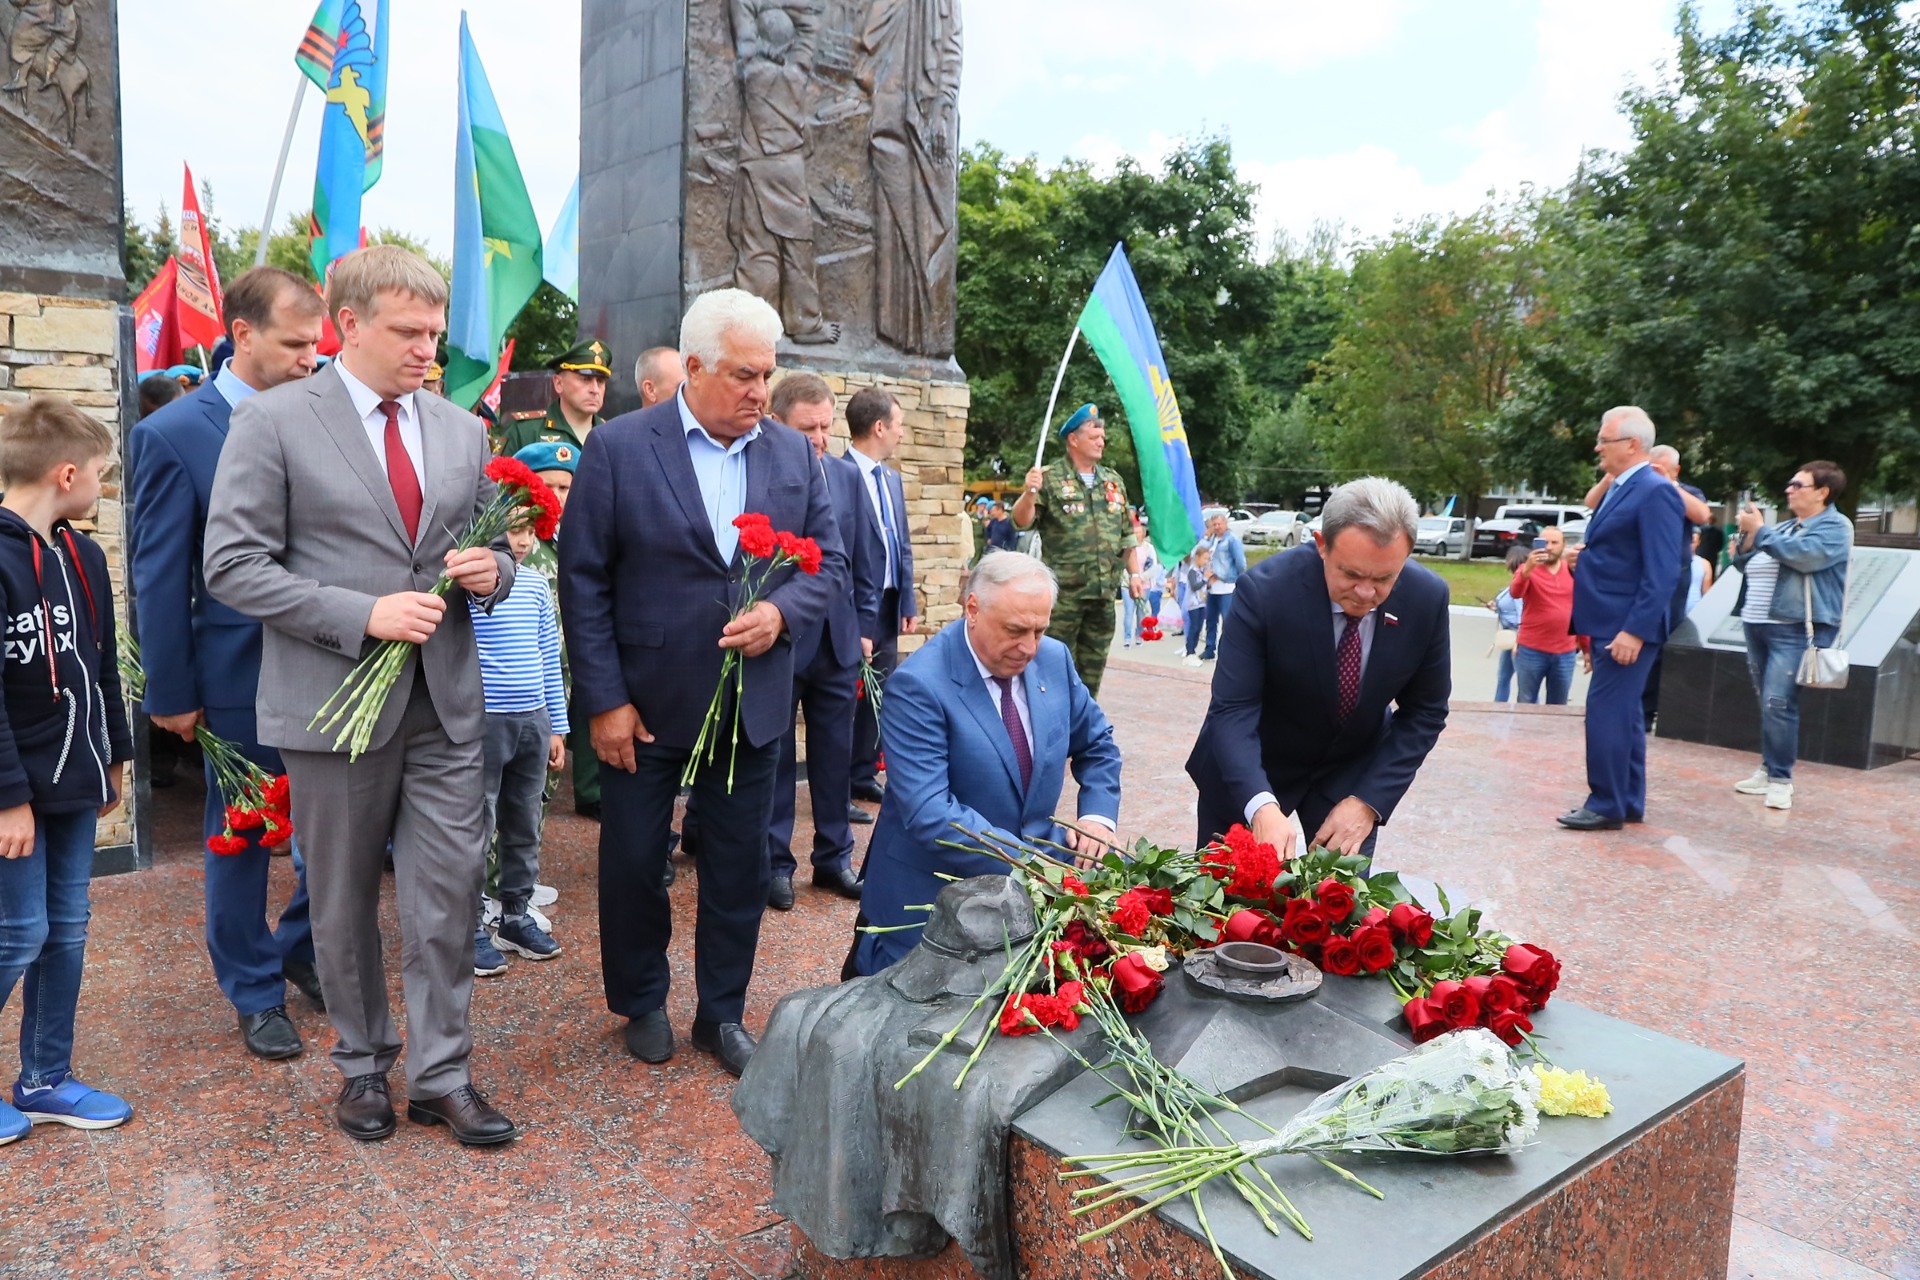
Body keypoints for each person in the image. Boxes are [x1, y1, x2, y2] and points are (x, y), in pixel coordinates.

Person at [203, 245, 520, 1146]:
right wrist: (360, 613)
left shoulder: (461, 429)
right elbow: (231, 564)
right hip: (330, 705)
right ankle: (362, 1068)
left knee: (448, 895)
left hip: (446, 702)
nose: (429, 349)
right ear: (348, 326)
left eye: (436, 332)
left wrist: (492, 569)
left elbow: (486, 551)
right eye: (409, 332)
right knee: (339, 902)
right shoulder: (273, 421)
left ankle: (443, 1075)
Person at [559, 288, 844, 1078]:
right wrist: (606, 702)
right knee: (632, 864)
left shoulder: (792, 453)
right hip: (644, 706)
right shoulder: (619, 447)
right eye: (744, 375)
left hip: (751, 705)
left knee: (738, 870)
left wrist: (783, 615)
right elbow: (583, 584)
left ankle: (722, 1012)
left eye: (769, 374)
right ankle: (641, 1001)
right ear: (691, 367)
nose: (761, 391)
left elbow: (830, 564)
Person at [127, 266, 328, 1061]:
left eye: (318, 343)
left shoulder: (319, 419)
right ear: (241, 335)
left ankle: (302, 949)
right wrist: (171, 693)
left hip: (331, 668)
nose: (312, 358)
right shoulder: (175, 434)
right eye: (295, 343)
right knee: (245, 835)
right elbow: (159, 574)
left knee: (338, 831)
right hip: (238, 678)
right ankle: (253, 987)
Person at [852, 553, 1121, 974]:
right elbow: (931, 813)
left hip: (1027, 893)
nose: (1029, 647)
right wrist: (1033, 864)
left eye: (1040, 629)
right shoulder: (919, 684)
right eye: (1016, 630)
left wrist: (1098, 818)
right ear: (972, 609)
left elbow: (1098, 743)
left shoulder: (1054, 658)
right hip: (931, 901)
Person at [1185, 477, 1450, 866]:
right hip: (1251, 767)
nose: (1365, 593)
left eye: (1383, 579)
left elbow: (1426, 711)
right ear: (1321, 543)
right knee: (1223, 909)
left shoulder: (1427, 598)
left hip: (1350, 774)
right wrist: (1260, 806)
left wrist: (1368, 801)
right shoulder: (1265, 592)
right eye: (1351, 574)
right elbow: (1233, 708)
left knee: (1338, 913)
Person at [0, 397, 135, 1143]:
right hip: (13, 792)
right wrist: (7, 798)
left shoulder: (83, 555)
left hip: (73, 779)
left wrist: (113, 754)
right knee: (16, 932)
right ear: (67, 472)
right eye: (103, 475)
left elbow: (101, 667)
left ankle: (46, 1077)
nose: (104, 487)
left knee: (66, 931)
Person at [765, 372, 879, 911]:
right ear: (777, 421)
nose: (819, 437)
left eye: (826, 427)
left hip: (837, 642)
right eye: (807, 427)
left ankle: (835, 858)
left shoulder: (847, 476)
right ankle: (774, 862)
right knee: (778, 755)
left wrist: (863, 627)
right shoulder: (762, 472)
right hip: (782, 639)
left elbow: (863, 557)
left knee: (835, 755)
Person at [1557, 407, 1687, 832]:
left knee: (1606, 709)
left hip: (1626, 626)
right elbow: (1624, 553)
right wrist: (1584, 558)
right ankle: (1627, 799)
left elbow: (1663, 569)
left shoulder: (1654, 490)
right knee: (1625, 713)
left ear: (1632, 445)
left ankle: (1606, 801)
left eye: (1604, 439)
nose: (1597, 447)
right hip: (1609, 619)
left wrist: (1635, 630)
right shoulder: (1623, 487)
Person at [470, 516, 569, 969]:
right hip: (485, 721)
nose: (524, 540)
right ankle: (468, 924)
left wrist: (556, 726)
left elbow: (550, 654)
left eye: (531, 530)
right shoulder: (470, 589)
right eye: (513, 530)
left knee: (524, 820)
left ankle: (514, 913)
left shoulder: (535, 587)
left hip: (533, 719)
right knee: (478, 822)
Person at [1729, 462, 1853, 811]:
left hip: (1794, 628)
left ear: (1822, 492)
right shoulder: (1787, 526)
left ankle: (1781, 779)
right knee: (1767, 701)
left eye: (1798, 485)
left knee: (1779, 702)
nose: (1789, 489)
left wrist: (1762, 532)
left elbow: (1805, 557)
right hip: (1757, 624)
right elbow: (1745, 562)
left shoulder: (1835, 526)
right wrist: (1744, 541)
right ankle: (1768, 769)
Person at [1010, 403, 1142, 697]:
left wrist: (1134, 575)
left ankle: (1083, 725)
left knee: (1092, 672)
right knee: (1053, 667)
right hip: (1064, 597)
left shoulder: (1113, 481)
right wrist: (1029, 493)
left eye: (1103, 437)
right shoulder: (1050, 478)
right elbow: (1022, 521)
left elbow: (1126, 534)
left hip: (1103, 594)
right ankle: (1050, 721)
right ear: (1074, 439)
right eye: (1094, 436)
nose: (1101, 442)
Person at [1592, 444, 1711, 731]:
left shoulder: (1679, 490)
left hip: (1672, 577)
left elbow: (1703, 515)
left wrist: (1666, 484)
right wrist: (1610, 478)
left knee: (1661, 641)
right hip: (1636, 579)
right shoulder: (1630, 485)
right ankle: (1638, 715)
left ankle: (1653, 709)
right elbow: (1591, 503)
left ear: (1676, 470)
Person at [845, 387, 918, 803]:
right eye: (899, 425)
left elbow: (901, 543)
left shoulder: (890, 478)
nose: (902, 434)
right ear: (879, 427)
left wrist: (907, 600)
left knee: (880, 695)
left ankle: (862, 772)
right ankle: (837, 780)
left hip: (889, 604)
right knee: (851, 696)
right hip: (858, 607)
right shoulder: (840, 475)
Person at [1508, 525, 1587, 706]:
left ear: (1564, 545)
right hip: (1531, 650)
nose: (1549, 547)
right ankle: (1524, 734)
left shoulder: (1573, 571)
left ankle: (1554, 735)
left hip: (1565, 652)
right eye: (1545, 542)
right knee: (1526, 702)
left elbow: (1581, 611)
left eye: (1555, 542)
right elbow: (1515, 593)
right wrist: (1527, 569)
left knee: (1558, 706)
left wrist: (1587, 647)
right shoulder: (1527, 569)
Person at [494, 338, 612, 457]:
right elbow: (498, 473)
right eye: (585, 380)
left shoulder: (613, 435)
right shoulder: (525, 432)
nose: (595, 390)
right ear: (559, 383)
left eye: (600, 381)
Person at [1197, 510, 1247, 660]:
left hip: (1227, 586)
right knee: (1211, 620)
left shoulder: (1231, 540)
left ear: (1225, 524)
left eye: (1219, 524)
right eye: (1214, 525)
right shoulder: (1212, 540)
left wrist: (1239, 581)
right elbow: (1202, 553)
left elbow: (1240, 563)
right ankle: (1209, 649)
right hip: (1212, 587)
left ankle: (1229, 652)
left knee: (1228, 621)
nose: (1217, 527)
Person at [1489, 546, 1526, 702]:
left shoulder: (1519, 586)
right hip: (1510, 636)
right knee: (1504, 677)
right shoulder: (1513, 584)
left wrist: (1519, 639)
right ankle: (1499, 706)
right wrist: (1496, 607)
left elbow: (1521, 613)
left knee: (1523, 681)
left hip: (1516, 636)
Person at [1177, 544, 1212, 667]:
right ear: (1197, 558)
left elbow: (1205, 587)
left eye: (1208, 559)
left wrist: (1209, 583)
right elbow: (1194, 586)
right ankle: (1189, 652)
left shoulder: (1202, 571)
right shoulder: (1192, 571)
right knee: (1194, 627)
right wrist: (1205, 579)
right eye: (1204, 559)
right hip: (1192, 604)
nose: (1206, 561)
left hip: (1201, 603)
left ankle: (1193, 651)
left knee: (1198, 628)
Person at [1685, 530, 1714, 615]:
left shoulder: (1704, 564)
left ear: (1698, 542)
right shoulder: (1673, 561)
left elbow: (1707, 593)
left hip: (1695, 610)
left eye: (1693, 542)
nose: (1690, 545)